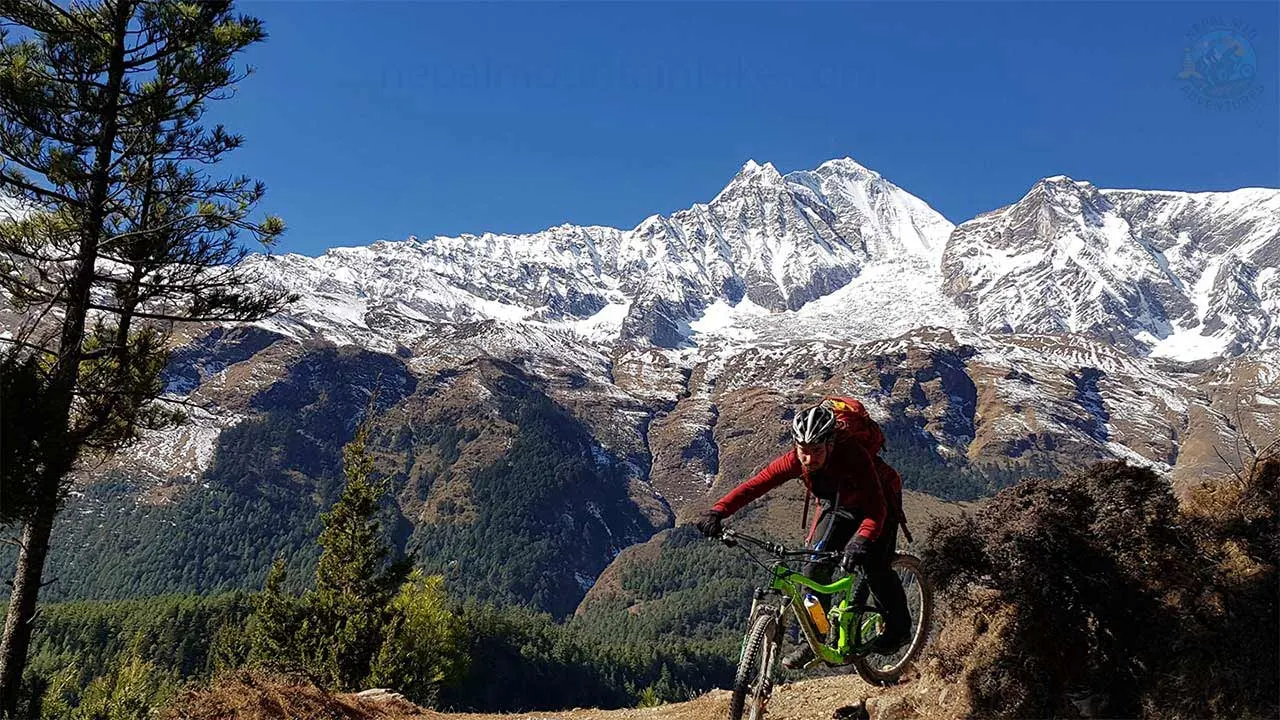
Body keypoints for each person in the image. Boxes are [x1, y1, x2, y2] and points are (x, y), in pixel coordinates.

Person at [692, 402, 910, 669]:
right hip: (839, 505)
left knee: (875, 564)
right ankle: (815, 639)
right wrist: (718, 511)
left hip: (878, 500)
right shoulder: (795, 460)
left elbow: (877, 509)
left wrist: (862, 539)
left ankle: (899, 629)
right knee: (813, 571)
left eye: (816, 451)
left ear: (830, 444)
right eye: (803, 451)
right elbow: (756, 485)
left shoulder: (853, 456)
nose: (808, 459)